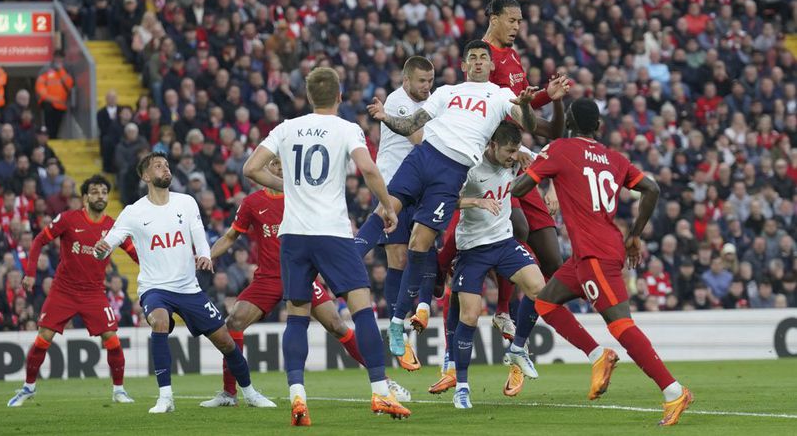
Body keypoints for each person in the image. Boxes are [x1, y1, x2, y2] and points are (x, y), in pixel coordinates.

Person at [366, 40, 566, 357]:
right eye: (471, 58)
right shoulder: (446, 92)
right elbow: (411, 126)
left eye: (483, 58)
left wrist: (530, 104)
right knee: (392, 213)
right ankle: (395, 311)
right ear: (463, 65)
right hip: (427, 158)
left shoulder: (500, 95)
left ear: (490, 66)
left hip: (455, 175)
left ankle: (432, 318)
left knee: (421, 243)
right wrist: (384, 117)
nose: (477, 62)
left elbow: (528, 125)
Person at [242, 66, 410, 425]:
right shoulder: (346, 128)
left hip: (293, 235)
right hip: (331, 232)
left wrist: (286, 184)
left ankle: (298, 397)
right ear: (338, 96)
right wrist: (386, 206)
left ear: (307, 97)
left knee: (297, 317)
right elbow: (368, 169)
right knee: (361, 308)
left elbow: (251, 168)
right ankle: (380, 392)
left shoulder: (286, 128)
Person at [511, 98, 693, 426]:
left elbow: (523, 187)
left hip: (595, 255)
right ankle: (598, 355)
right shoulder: (614, 158)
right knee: (545, 303)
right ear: (599, 126)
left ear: (569, 124)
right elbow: (651, 189)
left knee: (621, 324)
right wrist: (635, 234)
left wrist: (508, 174)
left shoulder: (562, 148)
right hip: (591, 254)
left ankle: (673, 390)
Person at [200, 156, 410, 407]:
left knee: (337, 325)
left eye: (281, 163)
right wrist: (206, 255)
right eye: (274, 163)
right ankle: (229, 393)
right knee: (233, 321)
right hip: (267, 278)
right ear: (265, 168)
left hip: (301, 273)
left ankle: (383, 380)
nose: (278, 167)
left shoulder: (300, 198)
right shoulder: (252, 203)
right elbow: (231, 236)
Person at [93, 152, 275, 414]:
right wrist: (100, 250)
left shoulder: (186, 202)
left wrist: (204, 255)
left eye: (166, 165)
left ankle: (250, 393)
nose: (165, 169)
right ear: (145, 176)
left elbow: (198, 235)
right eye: (158, 166)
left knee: (225, 341)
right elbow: (109, 242)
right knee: (159, 321)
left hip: (188, 288)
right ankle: (165, 397)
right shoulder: (133, 212)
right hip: (155, 288)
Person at [7, 175, 138, 407]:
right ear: (85, 197)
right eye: (95, 191)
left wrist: (157, 271)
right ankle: (28, 388)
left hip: (94, 293)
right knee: (43, 337)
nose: (101, 196)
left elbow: (134, 254)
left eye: (104, 192)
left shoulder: (113, 227)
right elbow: (38, 241)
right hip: (63, 291)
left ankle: (119, 390)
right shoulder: (68, 219)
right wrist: (30, 273)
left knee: (112, 340)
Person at [445, 122, 546, 408]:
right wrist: (475, 202)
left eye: (517, 151)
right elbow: (444, 199)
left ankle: (517, 348)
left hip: (504, 243)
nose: (513, 157)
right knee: (470, 315)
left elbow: (551, 160)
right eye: (509, 151)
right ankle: (462, 387)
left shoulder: (518, 157)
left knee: (540, 289)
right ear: (493, 146)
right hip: (472, 250)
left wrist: (545, 183)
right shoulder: (472, 167)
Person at [354, 55, 435, 370]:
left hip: (423, 185)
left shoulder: (430, 101)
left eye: (430, 81)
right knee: (399, 258)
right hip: (395, 185)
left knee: (425, 253)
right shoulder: (398, 102)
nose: (427, 88)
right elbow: (418, 138)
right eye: (421, 82)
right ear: (406, 80)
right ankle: (396, 331)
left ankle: (415, 315)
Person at [35, 52, 74, 138]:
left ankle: (54, 139)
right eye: (57, 58)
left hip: (61, 104)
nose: (59, 60)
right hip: (49, 103)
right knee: (49, 124)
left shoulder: (66, 70)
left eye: (61, 58)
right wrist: (50, 99)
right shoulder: (45, 70)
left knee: (57, 125)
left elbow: (69, 84)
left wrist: (61, 71)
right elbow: (40, 87)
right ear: (54, 58)